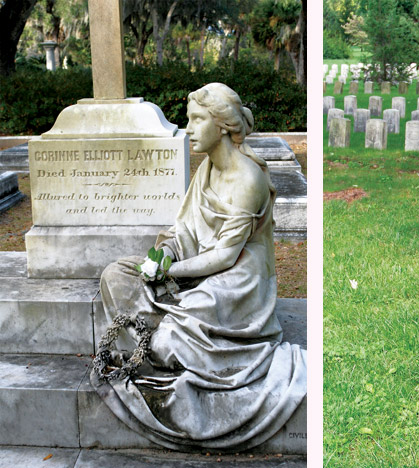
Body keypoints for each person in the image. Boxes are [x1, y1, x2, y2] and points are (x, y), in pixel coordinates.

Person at [92, 83, 306, 451]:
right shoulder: (206, 169)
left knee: (183, 322)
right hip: (196, 267)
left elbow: (225, 255)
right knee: (116, 274)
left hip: (239, 275)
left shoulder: (248, 179)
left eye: (196, 119)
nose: (188, 128)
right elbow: (186, 229)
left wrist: (170, 273)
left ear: (221, 124)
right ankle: (160, 337)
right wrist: (167, 255)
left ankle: (168, 339)